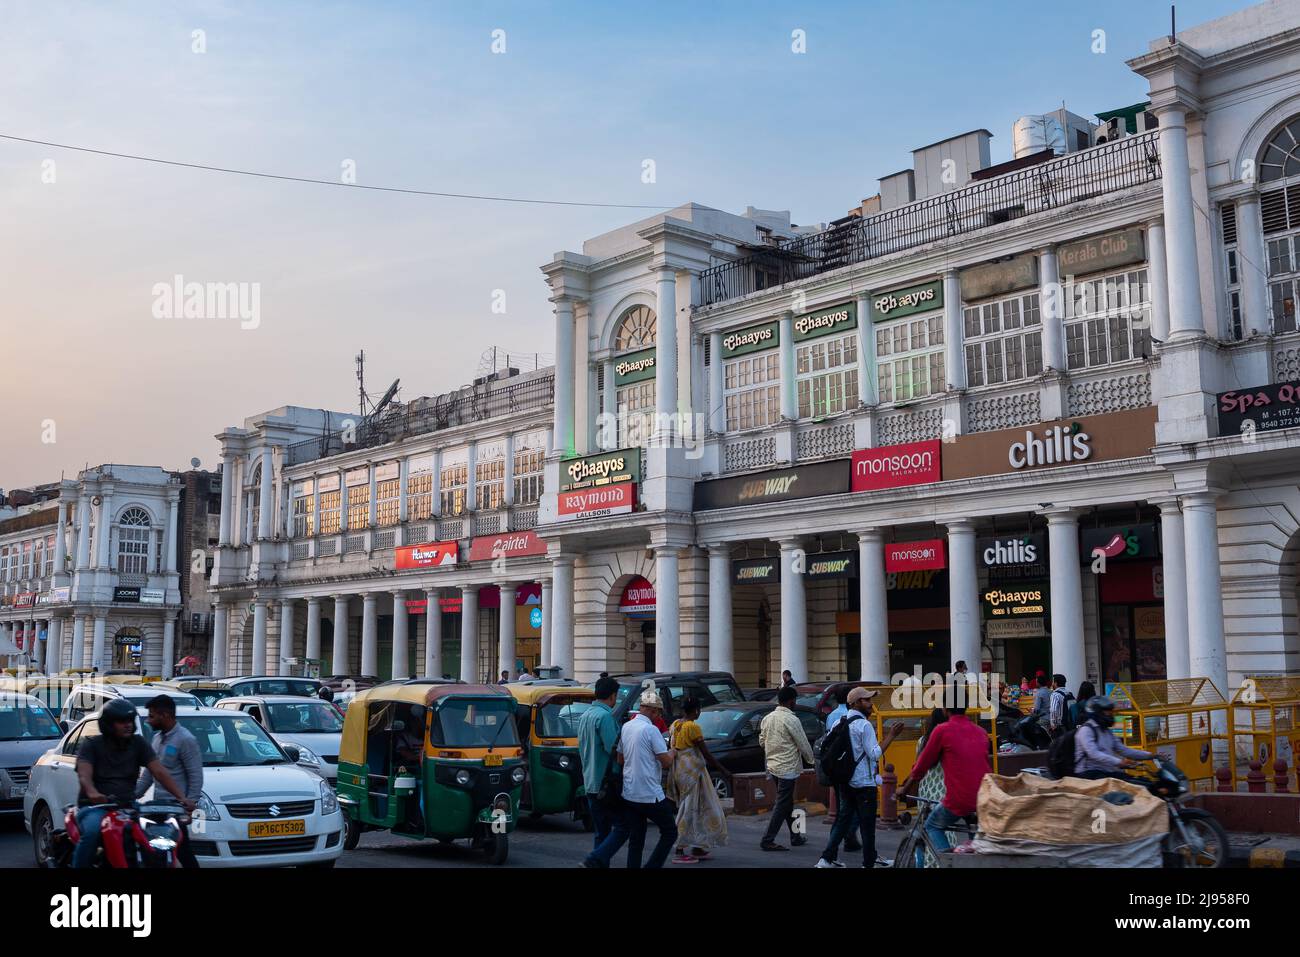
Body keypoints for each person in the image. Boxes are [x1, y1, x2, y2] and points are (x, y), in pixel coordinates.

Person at [74, 699, 195, 868]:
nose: (128, 725)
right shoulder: (92, 745)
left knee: (157, 831)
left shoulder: (138, 743)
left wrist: (182, 798)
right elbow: (84, 774)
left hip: (128, 807)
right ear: (108, 724)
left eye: (130, 721)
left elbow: (159, 771)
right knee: (92, 832)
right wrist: (92, 792)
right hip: (95, 807)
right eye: (122, 721)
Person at [900, 682, 991, 859]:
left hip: (959, 799)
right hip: (984, 798)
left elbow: (921, 766)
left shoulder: (942, 730)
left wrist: (905, 788)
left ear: (945, 708)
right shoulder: (981, 732)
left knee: (932, 826)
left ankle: (949, 861)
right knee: (977, 843)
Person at [815, 687, 902, 868]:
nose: (871, 704)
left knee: (842, 821)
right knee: (867, 826)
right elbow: (875, 753)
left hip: (846, 781)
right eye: (867, 700)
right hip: (864, 783)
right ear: (855, 703)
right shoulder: (864, 725)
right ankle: (869, 862)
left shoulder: (840, 721)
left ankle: (826, 859)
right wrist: (891, 736)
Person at [136, 695, 203, 868]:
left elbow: (196, 775)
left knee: (183, 852)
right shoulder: (156, 739)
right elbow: (149, 774)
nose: (148, 721)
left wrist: (189, 806)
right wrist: (133, 795)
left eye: (152, 716)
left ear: (165, 715)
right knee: (155, 852)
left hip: (176, 809)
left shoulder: (185, 739)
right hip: (157, 808)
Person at [665, 696, 729, 863]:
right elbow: (706, 753)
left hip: (682, 771)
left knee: (700, 807)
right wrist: (723, 770)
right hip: (692, 772)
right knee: (689, 809)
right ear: (696, 710)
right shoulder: (692, 727)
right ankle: (679, 849)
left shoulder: (675, 724)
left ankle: (698, 847)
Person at [619, 689, 677, 868]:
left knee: (636, 838)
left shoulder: (626, 727)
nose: (659, 717)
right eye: (658, 713)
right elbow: (666, 762)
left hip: (630, 791)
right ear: (653, 710)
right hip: (649, 793)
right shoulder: (651, 730)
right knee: (670, 832)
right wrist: (673, 752)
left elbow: (620, 759)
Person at [578, 676, 630, 868]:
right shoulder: (605, 717)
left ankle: (596, 862)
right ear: (613, 696)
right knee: (623, 826)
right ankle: (593, 859)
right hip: (606, 783)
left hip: (590, 780)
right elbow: (614, 750)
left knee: (601, 832)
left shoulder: (586, 715)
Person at [758, 685, 814, 851]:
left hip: (772, 766)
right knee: (782, 804)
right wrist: (812, 761)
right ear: (791, 701)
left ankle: (796, 836)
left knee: (787, 802)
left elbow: (762, 741)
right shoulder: (792, 720)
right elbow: (803, 743)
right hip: (787, 768)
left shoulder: (768, 718)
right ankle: (767, 839)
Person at [1073, 696, 1154, 781]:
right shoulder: (1086, 730)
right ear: (1098, 713)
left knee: (1140, 782)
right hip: (1089, 774)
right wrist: (1119, 762)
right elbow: (1094, 754)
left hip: (1106, 772)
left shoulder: (1107, 731)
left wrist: (1151, 755)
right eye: (1108, 712)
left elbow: (1124, 750)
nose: (1111, 715)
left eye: (1111, 712)